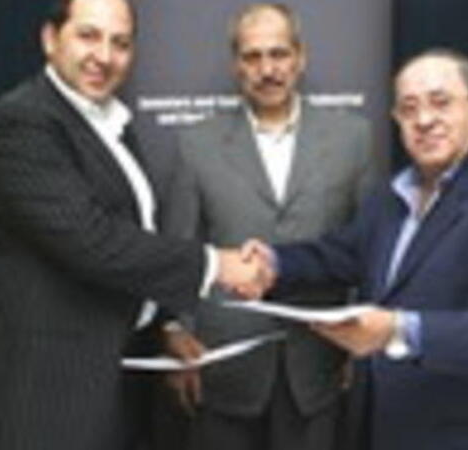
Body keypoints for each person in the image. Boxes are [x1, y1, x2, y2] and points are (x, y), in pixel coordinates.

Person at [0, 1, 262, 449]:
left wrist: (166, 328)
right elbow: (93, 241)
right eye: (88, 36)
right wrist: (216, 264)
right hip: (44, 402)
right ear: (50, 39)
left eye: (120, 43)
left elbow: (135, 236)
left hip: (114, 385)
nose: (104, 56)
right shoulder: (20, 123)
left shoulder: (111, 124)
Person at [243, 48, 468, 450]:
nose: (424, 120)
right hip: (390, 426)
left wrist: (398, 331)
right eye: (409, 108)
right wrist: (273, 263)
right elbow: (339, 256)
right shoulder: (391, 195)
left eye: (441, 102)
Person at [159, 4, 379, 450]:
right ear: (236, 65)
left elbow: (369, 248)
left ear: (300, 57)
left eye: (279, 54)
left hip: (317, 366)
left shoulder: (352, 139)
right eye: (253, 57)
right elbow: (177, 250)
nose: (267, 69)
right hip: (223, 368)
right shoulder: (195, 145)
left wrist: (362, 340)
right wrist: (175, 333)